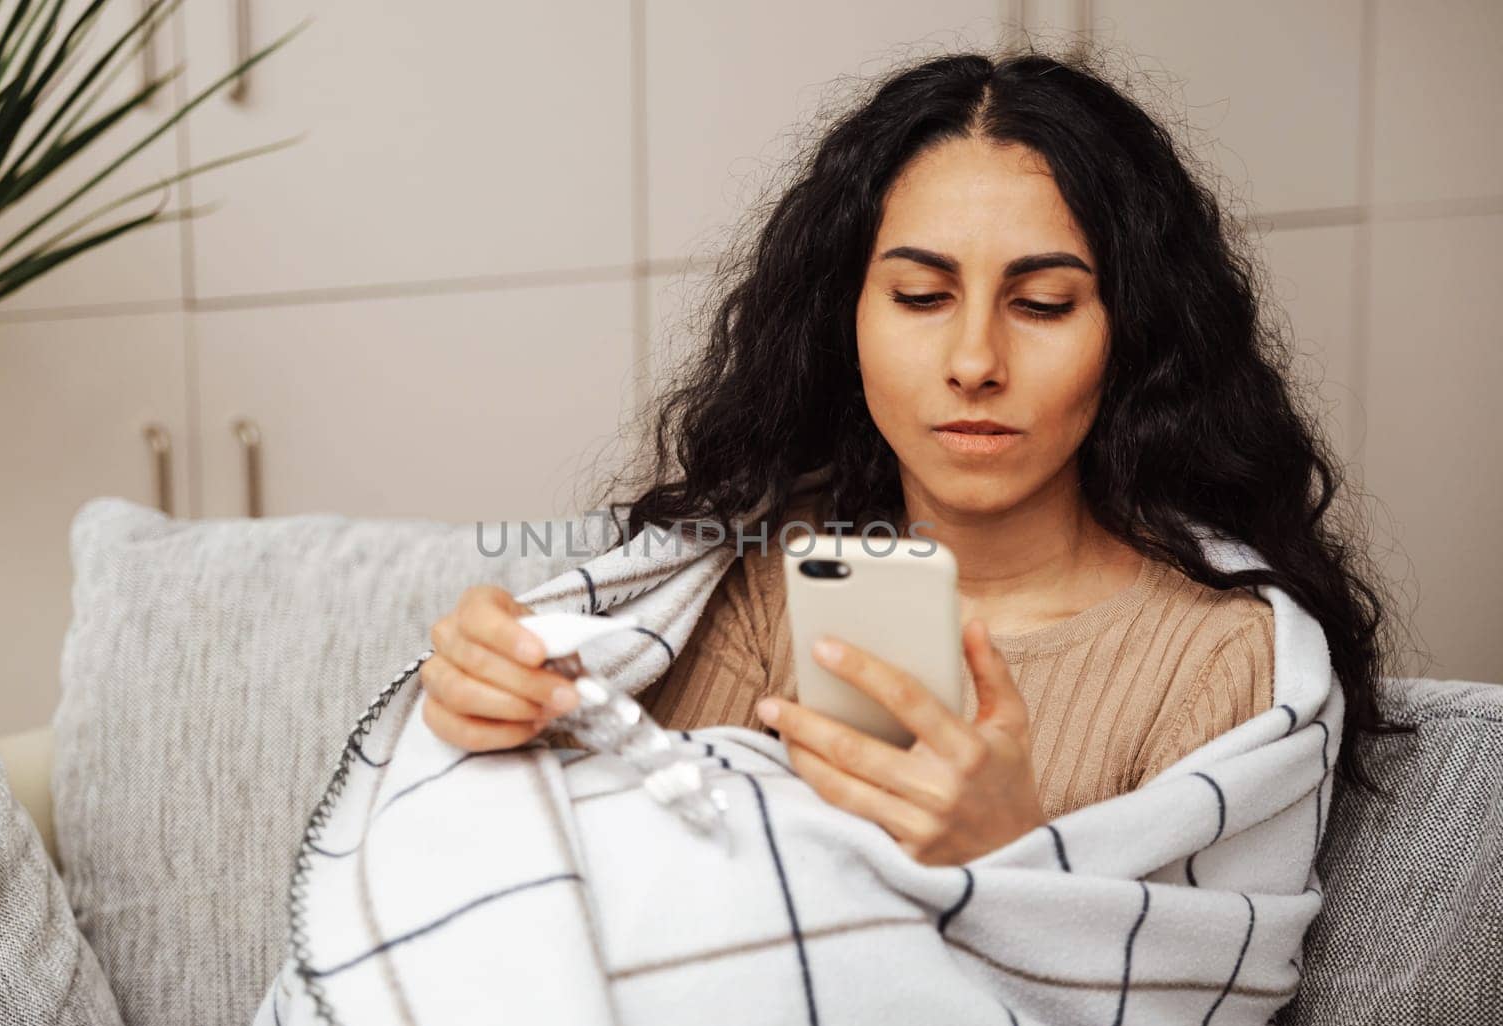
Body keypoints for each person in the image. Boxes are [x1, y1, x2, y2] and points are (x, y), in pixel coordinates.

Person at [416, 48, 1396, 866]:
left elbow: (1166, 1006)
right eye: (921, 299)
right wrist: (502, 707)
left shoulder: (1215, 655)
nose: (974, 362)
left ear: (1131, 335)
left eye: (1042, 305)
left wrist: (1007, 857)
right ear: (844, 320)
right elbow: (602, 873)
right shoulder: (762, 578)